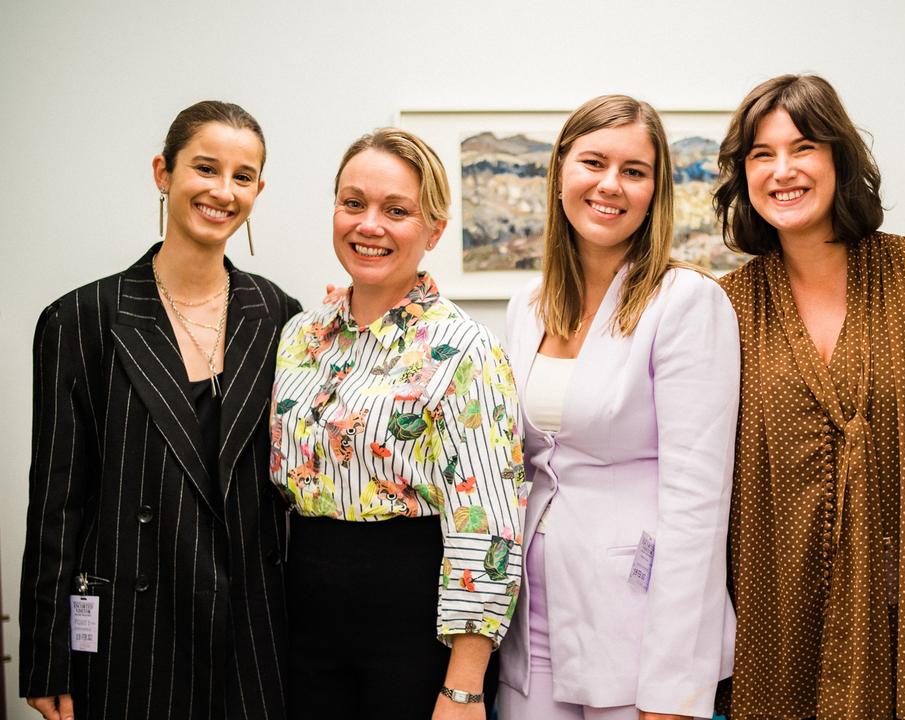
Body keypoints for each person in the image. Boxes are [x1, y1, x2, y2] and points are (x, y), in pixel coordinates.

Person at [712, 74, 905, 719]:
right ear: (744, 176)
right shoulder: (722, 309)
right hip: (776, 628)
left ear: (841, 158)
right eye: (762, 154)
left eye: (804, 146)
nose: (783, 170)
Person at [20, 101, 297, 720]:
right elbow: (56, 505)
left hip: (250, 634)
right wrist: (46, 655)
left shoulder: (281, 315)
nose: (223, 191)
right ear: (162, 173)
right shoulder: (81, 319)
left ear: (257, 188)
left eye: (243, 175)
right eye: (205, 168)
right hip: (129, 634)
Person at [497, 94, 738, 720]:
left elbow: (697, 506)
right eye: (594, 162)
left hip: (636, 628)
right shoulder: (527, 305)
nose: (611, 185)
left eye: (634, 171)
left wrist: (674, 687)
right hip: (532, 622)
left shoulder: (685, 302)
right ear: (558, 172)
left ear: (655, 191)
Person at [270, 127, 523, 720]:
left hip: (411, 624)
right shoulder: (299, 337)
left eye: (397, 210)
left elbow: (487, 526)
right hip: (300, 616)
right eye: (353, 203)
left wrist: (463, 688)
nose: (369, 225)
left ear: (434, 229)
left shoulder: (465, 351)